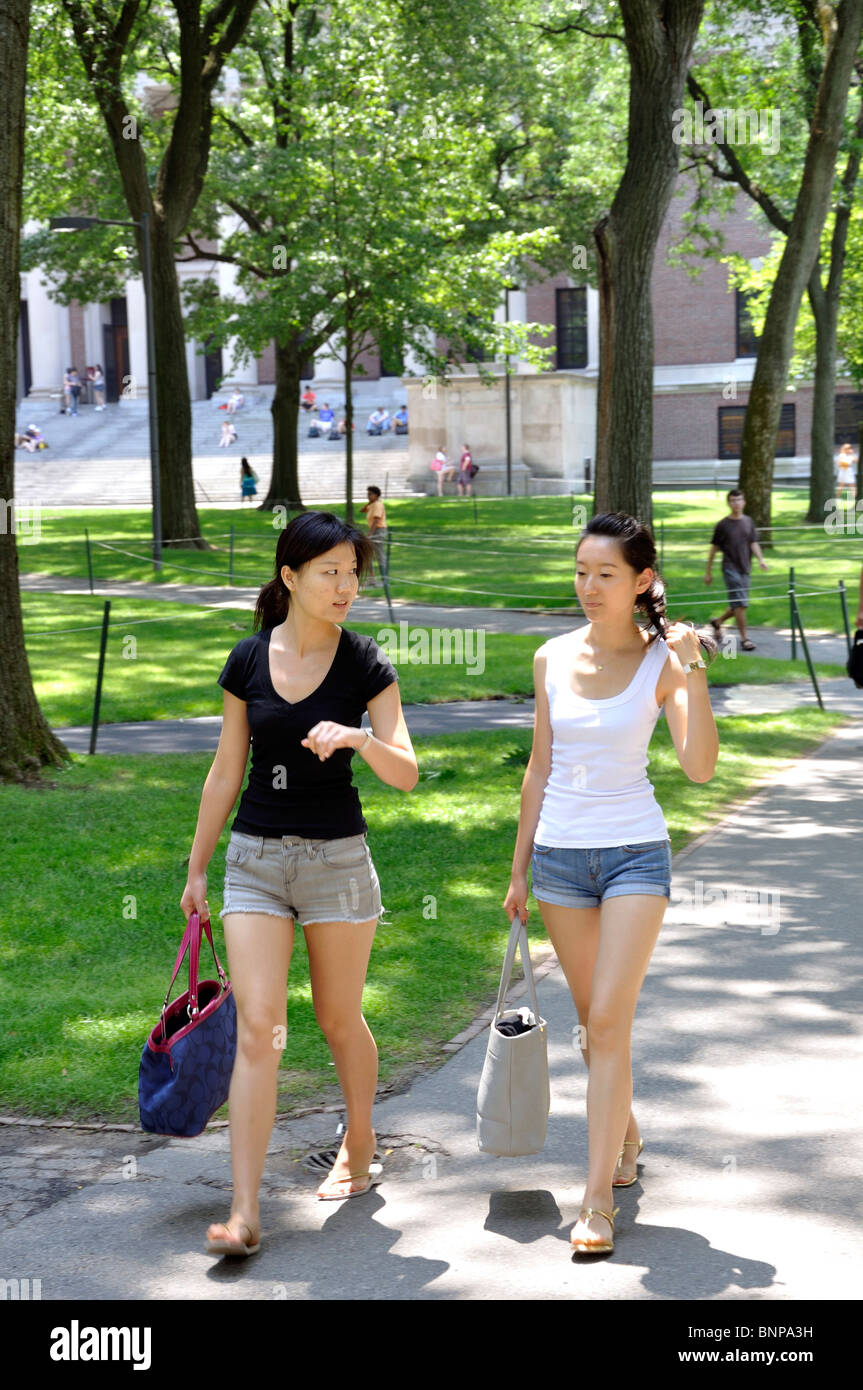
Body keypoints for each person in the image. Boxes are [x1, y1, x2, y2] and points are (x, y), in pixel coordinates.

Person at [180, 511, 418, 1258]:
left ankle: (360, 1136)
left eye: (353, 572)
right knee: (259, 1032)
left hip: (337, 865)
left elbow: (407, 773)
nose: (347, 586)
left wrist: (359, 738)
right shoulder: (247, 660)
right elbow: (225, 770)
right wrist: (196, 867)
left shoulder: (366, 664)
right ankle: (244, 1212)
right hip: (254, 861)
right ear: (290, 577)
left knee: (338, 1018)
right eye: (331, 573)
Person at [504, 512, 718, 1257]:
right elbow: (539, 766)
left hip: (633, 855)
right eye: (581, 572)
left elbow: (696, 767)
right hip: (560, 857)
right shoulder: (549, 658)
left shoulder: (665, 661)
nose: (589, 587)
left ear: (641, 582)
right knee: (595, 1024)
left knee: (606, 1025)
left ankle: (595, 1202)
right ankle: (623, 1136)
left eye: (606, 575)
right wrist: (518, 867)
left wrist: (692, 668)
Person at [705, 489, 768, 652]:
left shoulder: (748, 522)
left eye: (739, 500)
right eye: (733, 500)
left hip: (745, 568)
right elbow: (714, 550)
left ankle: (717, 622)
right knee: (741, 604)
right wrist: (708, 572)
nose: (736, 503)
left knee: (739, 604)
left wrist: (761, 560)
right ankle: (745, 639)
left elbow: (753, 542)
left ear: (744, 502)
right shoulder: (723, 525)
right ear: (728, 503)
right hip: (730, 568)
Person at [360, 485, 387, 587]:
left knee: (379, 555)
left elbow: (376, 520)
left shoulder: (378, 505)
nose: (368, 496)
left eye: (370, 494)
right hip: (374, 531)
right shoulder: (372, 505)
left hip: (378, 531)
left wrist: (370, 534)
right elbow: (361, 510)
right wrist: (369, 502)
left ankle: (385, 579)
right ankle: (372, 579)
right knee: (368, 555)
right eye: (368, 494)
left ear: (376, 495)